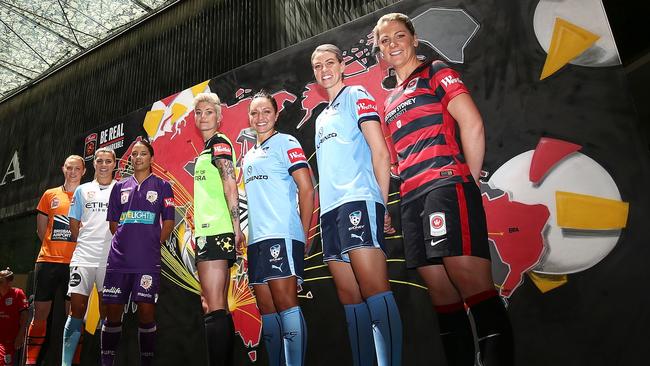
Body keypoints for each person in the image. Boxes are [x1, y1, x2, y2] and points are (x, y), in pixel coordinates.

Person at [374, 13, 514, 366]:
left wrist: (467, 176)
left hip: (446, 187)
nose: (392, 44)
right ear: (378, 50)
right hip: (411, 199)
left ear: (414, 39)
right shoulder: (388, 102)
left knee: (470, 281)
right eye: (384, 40)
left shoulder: (435, 71)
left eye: (399, 35)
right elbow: (397, 159)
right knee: (440, 293)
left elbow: (471, 122)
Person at [311, 44, 402, 366]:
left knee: (373, 286)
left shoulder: (356, 94)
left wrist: (381, 202)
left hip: (358, 201)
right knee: (349, 296)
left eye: (330, 62)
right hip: (330, 213)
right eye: (318, 64)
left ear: (342, 64)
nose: (324, 68)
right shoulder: (321, 118)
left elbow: (381, 151)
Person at [242, 91, 314, 366]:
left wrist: (303, 233)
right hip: (256, 241)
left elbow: (306, 190)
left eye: (266, 112)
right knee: (267, 311)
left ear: (276, 114)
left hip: (282, 235)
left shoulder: (286, 142)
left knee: (287, 305)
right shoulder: (248, 156)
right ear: (249, 117)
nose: (260, 117)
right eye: (255, 113)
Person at [101, 140, 175, 366]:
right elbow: (114, 224)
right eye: (134, 154)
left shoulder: (163, 186)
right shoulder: (119, 186)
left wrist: (152, 244)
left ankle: (147, 361)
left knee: (146, 312)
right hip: (119, 261)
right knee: (113, 313)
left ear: (151, 158)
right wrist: (125, 242)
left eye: (143, 154)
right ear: (130, 159)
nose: (138, 157)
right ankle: (106, 362)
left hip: (146, 261)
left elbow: (169, 223)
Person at [192, 92, 244, 366]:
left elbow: (229, 183)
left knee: (214, 307)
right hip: (207, 232)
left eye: (208, 111)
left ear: (219, 117)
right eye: (198, 112)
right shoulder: (206, 147)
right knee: (212, 304)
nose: (203, 116)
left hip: (216, 231)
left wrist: (235, 227)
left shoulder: (220, 143)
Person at [26, 155, 86, 366]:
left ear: (83, 171)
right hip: (48, 261)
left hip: (77, 262)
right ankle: (30, 361)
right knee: (40, 313)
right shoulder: (49, 194)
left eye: (77, 168)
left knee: (75, 315)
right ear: (63, 169)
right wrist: (53, 247)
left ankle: (73, 361)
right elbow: (42, 229)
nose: (72, 172)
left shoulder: (88, 195)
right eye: (69, 168)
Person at [61, 148, 117, 366]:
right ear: (94, 164)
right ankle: (66, 364)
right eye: (100, 161)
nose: (103, 165)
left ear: (114, 164)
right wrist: (85, 244)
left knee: (107, 312)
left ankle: (106, 362)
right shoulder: (82, 190)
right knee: (77, 310)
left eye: (108, 161)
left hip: (110, 259)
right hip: (83, 258)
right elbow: (74, 224)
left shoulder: (121, 189)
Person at [0, 268, 29, 366]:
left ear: (9, 283)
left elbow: (24, 316)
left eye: (1, 281)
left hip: (11, 340)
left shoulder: (18, 293)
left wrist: (20, 335)